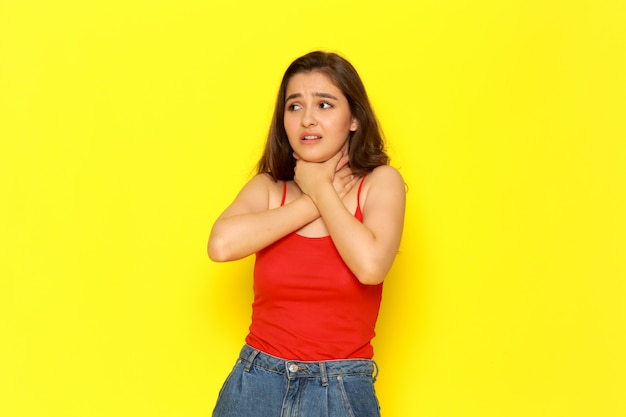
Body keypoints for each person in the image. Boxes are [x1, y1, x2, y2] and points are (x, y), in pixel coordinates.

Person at [207, 51, 406, 417]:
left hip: (341, 390)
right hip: (255, 384)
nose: (307, 119)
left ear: (355, 119)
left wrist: (321, 189)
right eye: (294, 106)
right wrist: (313, 197)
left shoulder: (380, 184)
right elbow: (220, 246)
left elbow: (371, 267)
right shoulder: (269, 188)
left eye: (325, 104)